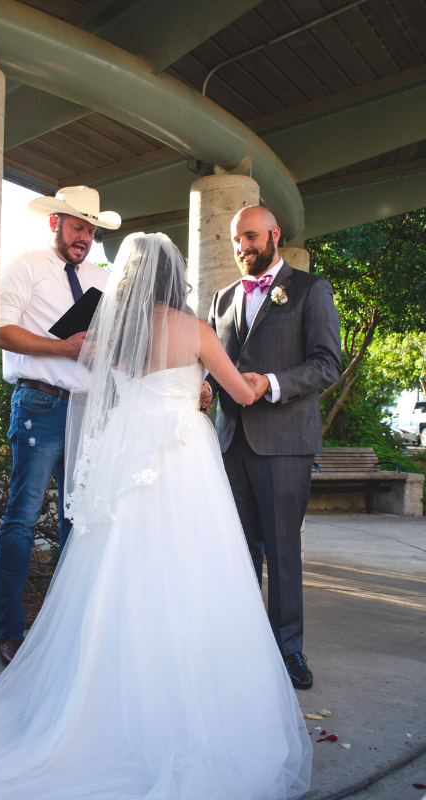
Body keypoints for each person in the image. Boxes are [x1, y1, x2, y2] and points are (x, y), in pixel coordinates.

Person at [0, 232, 311, 800]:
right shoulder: (196, 331)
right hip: (182, 460)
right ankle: (184, 691)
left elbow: (100, 395)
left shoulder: (115, 335)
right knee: (191, 572)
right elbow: (242, 394)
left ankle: (99, 695)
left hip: (129, 462)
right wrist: (230, 382)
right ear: (174, 277)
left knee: (119, 575)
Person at [207, 205, 342, 690]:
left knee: (283, 549)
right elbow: (213, 364)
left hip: (284, 442)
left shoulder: (310, 289)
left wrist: (271, 383)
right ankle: (243, 646)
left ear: (274, 235)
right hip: (230, 440)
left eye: (250, 237)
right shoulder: (222, 298)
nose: (242, 247)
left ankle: (288, 651)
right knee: (238, 551)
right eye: (236, 240)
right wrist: (203, 388)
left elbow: (328, 364)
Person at [0, 185, 120, 666]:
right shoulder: (27, 266)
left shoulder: (102, 279)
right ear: (55, 224)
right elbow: (1, 329)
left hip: (87, 408)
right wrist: (62, 347)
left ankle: (63, 629)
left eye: (90, 230)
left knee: (76, 521)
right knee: (23, 520)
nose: (84, 237)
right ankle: (9, 631)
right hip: (39, 405)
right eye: (77, 227)